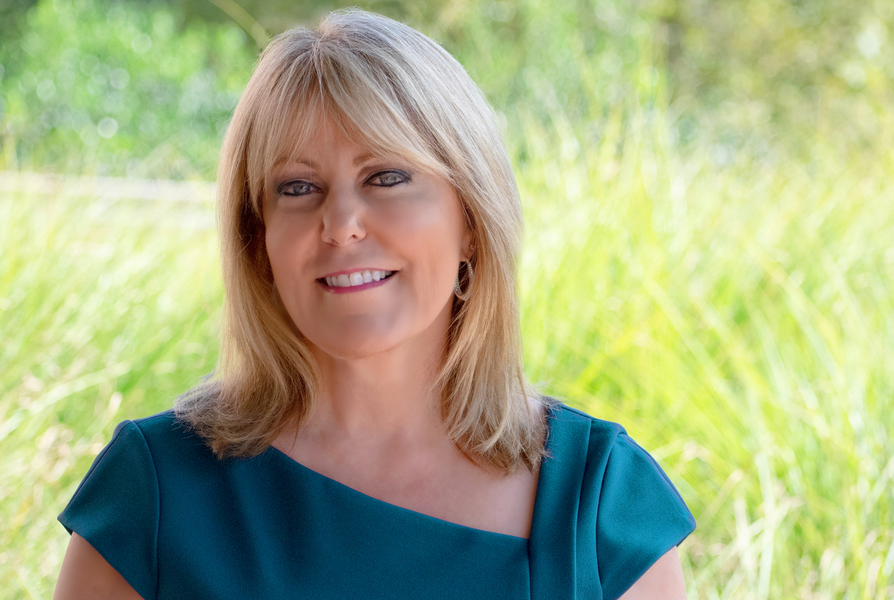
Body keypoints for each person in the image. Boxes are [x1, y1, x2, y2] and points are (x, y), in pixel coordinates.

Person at [54, 9, 694, 600]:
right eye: (298, 187)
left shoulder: (603, 506)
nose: (340, 224)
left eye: (386, 177)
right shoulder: (153, 496)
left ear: (471, 219)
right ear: (260, 244)